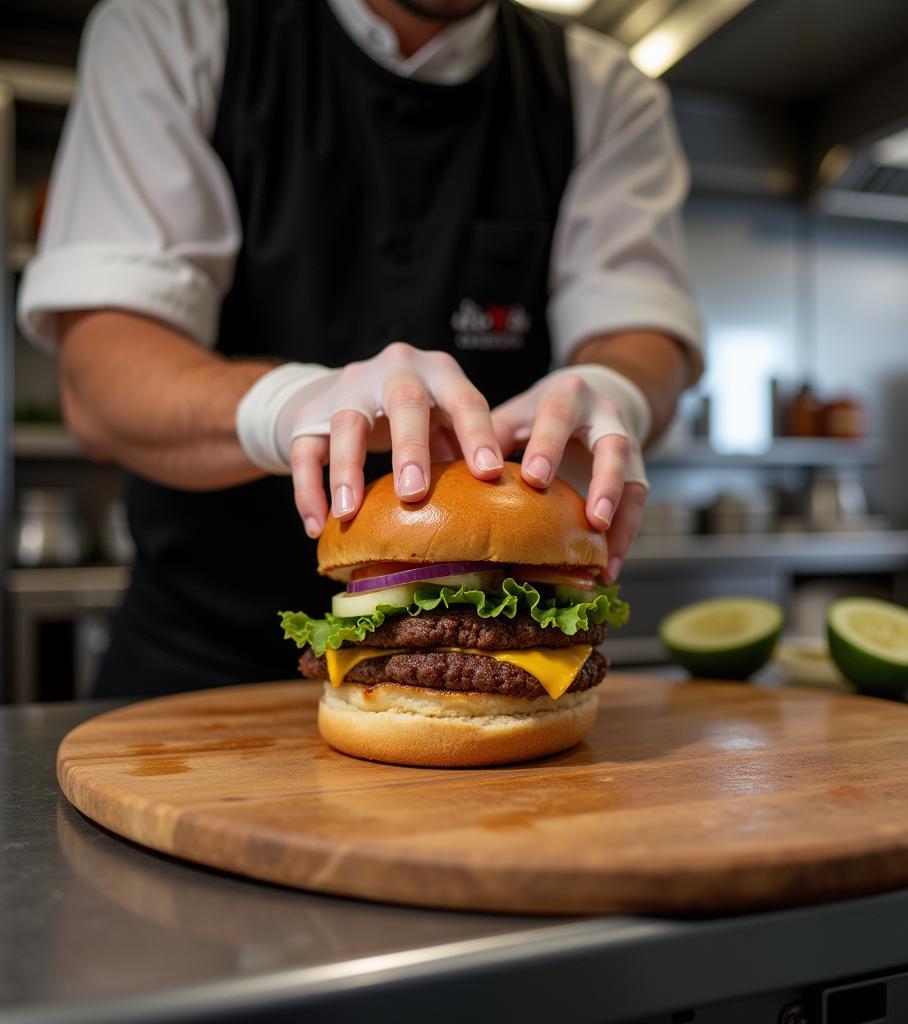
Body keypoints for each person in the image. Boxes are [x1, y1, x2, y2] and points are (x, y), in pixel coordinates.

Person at [18, 0, 702, 697]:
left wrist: (610, 387)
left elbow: (642, 329)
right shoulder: (174, 25)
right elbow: (99, 378)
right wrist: (288, 407)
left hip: (509, 700)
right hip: (188, 672)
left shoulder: (603, 89)